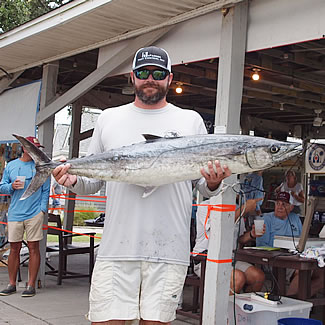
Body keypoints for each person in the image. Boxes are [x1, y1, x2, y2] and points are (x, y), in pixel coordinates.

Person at [53, 46, 231, 325]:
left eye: (158, 73)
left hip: (169, 251)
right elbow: (92, 182)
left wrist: (214, 182)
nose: (150, 78)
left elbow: (203, 187)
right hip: (116, 249)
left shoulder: (191, 120)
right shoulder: (109, 118)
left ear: (169, 79)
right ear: (132, 77)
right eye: (143, 72)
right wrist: (72, 180)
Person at [0, 136, 50, 297]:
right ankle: (12, 283)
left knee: (33, 248)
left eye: (37, 148)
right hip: (15, 212)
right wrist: (11, 186)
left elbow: (45, 190)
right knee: (14, 248)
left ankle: (31, 285)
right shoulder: (12, 166)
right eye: (33, 148)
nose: (36, 151)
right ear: (24, 148)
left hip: (34, 213)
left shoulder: (41, 166)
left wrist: (42, 210)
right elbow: (3, 186)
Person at [255, 191, 323, 297]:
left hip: (296, 257)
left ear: (291, 207)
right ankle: (289, 302)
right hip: (274, 260)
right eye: (278, 203)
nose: (280, 207)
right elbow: (261, 246)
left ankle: (298, 301)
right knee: (302, 271)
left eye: (284, 204)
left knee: (321, 273)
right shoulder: (265, 219)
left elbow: (302, 241)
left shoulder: (295, 218)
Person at [193, 198, 265, 294]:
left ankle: (241, 307)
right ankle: (225, 309)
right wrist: (244, 209)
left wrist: (252, 234)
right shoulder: (205, 206)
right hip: (206, 259)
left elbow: (240, 238)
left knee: (258, 277)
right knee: (238, 278)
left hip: (230, 259)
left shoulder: (236, 208)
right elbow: (218, 229)